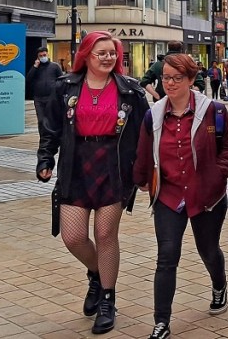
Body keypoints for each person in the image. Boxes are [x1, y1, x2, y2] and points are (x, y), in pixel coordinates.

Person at [36, 31, 149, 335]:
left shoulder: (131, 91)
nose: (108, 58)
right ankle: (97, 275)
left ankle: (108, 300)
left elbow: (144, 135)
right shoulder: (65, 87)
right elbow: (51, 129)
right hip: (76, 165)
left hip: (114, 167)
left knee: (105, 233)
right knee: (72, 237)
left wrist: (145, 172)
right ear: (86, 55)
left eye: (112, 52)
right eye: (101, 53)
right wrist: (45, 159)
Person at [133, 54, 228, 339]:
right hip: (168, 195)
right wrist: (141, 180)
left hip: (206, 196)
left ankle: (219, 284)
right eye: (165, 77)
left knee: (208, 250)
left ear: (191, 80)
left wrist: (219, 174)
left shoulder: (213, 111)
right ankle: (161, 322)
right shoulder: (153, 114)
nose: (169, 83)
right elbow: (144, 151)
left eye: (176, 78)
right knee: (166, 257)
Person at [28, 47, 64, 138]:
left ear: (47, 54)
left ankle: (52, 138)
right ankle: (43, 138)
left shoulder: (54, 66)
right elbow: (28, 79)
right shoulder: (36, 68)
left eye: (44, 55)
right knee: (41, 120)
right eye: (40, 56)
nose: (43, 57)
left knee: (51, 119)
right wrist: (35, 67)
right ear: (37, 57)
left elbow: (61, 80)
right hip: (39, 98)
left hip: (51, 97)